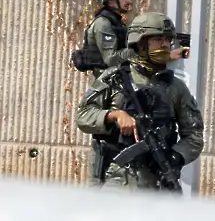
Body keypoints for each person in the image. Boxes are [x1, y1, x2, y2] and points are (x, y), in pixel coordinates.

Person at [76, 12, 204, 191]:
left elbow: (194, 135)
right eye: (158, 39)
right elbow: (83, 116)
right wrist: (114, 115)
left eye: (168, 40)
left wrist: (176, 156)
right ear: (140, 43)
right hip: (117, 181)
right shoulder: (114, 78)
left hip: (158, 183)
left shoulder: (176, 87)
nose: (165, 44)